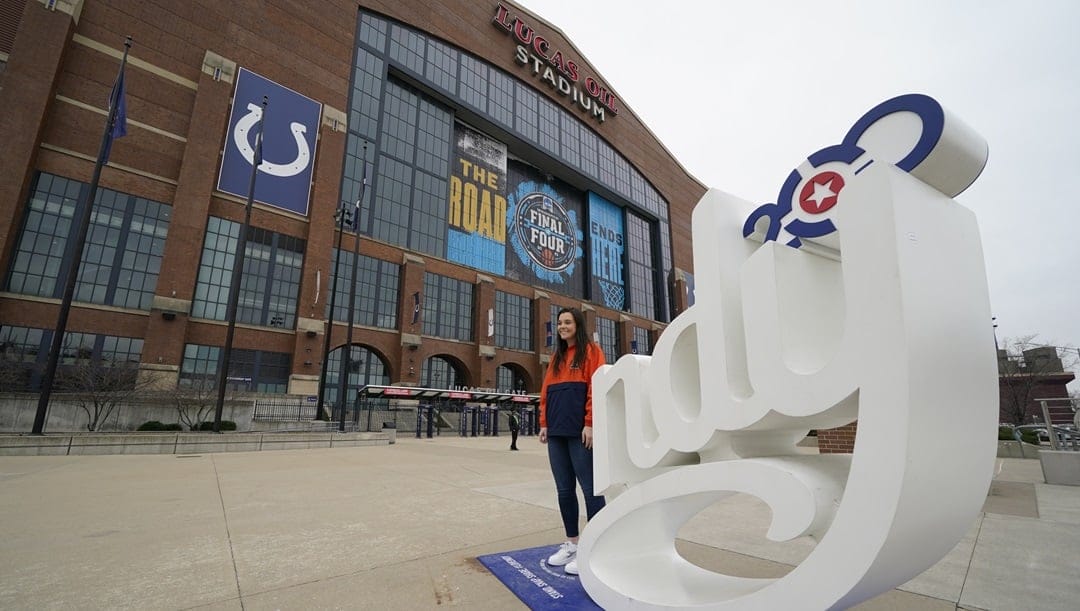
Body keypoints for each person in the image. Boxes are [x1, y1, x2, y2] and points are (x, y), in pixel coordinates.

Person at [539, 307, 606, 576]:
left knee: (590, 490)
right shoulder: (556, 357)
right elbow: (546, 393)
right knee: (564, 491)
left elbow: (595, 389)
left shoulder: (591, 351)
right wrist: (544, 423)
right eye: (559, 323)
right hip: (556, 431)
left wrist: (590, 423)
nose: (562, 326)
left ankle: (597, 545)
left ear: (577, 324)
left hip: (580, 432)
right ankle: (573, 543)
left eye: (567, 322)